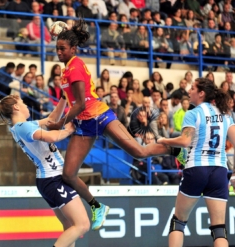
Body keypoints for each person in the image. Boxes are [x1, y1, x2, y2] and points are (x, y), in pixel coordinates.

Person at [48, 17, 180, 229]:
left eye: (62, 48)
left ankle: (174, 151)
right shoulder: (65, 70)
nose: (58, 52)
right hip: (84, 126)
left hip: (100, 116)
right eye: (57, 48)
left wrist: (61, 123)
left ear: (73, 49)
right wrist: (52, 120)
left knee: (139, 152)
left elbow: (81, 103)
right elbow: (68, 100)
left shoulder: (76, 66)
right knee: (68, 174)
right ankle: (97, 206)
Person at [0, 85, 90, 247]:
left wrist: (63, 97)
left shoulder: (21, 126)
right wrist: (70, 129)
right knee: (82, 224)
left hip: (48, 180)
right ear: (16, 107)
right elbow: (51, 137)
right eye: (24, 103)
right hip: (53, 179)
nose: (27, 105)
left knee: (70, 227)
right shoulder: (24, 127)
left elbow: (51, 120)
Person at [157, 78, 235, 247]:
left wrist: (164, 140)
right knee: (219, 229)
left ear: (201, 93)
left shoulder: (193, 113)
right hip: (219, 171)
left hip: (197, 168)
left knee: (178, 221)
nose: (189, 91)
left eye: (192, 88)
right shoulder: (226, 115)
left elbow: (185, 141)